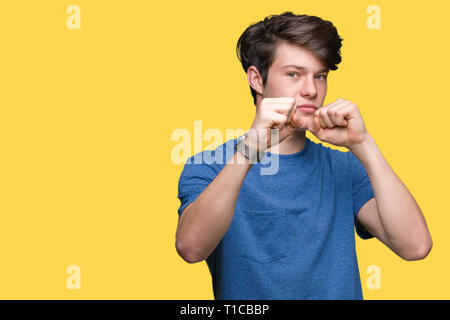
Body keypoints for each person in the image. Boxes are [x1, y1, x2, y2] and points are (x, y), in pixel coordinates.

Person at [175, 11, 432, 300]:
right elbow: (191, 248)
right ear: (257, 80)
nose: (311, 90)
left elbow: (416, 247)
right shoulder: (209, 166)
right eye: (294, 74)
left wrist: (365, 145)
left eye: (319, 76)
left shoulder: (345, 167)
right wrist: (248, 152)